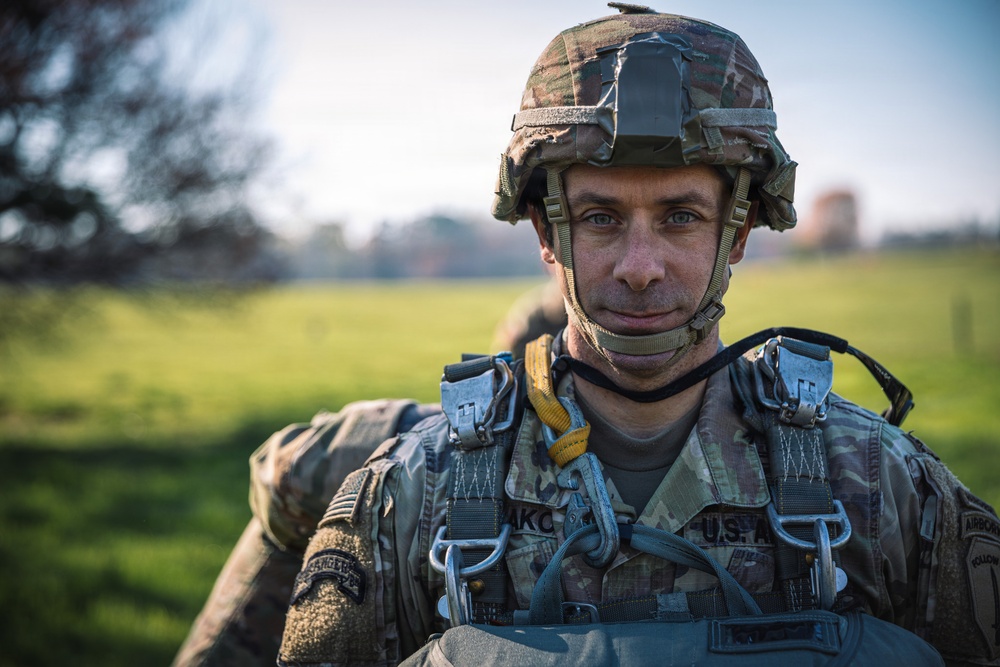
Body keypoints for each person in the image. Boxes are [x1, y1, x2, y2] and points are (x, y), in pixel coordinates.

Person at [175, 5, 1000, 666]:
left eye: (681, 216)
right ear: (547, 231)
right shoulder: (413, 499)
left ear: (738, 233)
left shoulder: (882, 489)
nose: (640, 267)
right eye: (602, 217)